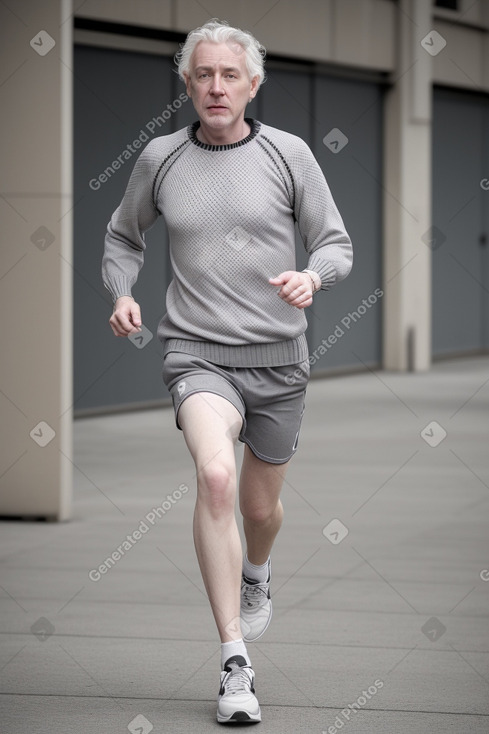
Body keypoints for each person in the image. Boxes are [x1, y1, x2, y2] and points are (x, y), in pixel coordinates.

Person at [102, 18, 352, 725]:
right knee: (214, 477)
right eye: (203, 75)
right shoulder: (160, 158)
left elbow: (335, 242)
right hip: (196, 352)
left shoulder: (288, 154)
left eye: (229, 75)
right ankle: (234, 663)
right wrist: (122, 291)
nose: (216, 87)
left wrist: (312, 277)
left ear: (252, 83)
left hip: (279, 360)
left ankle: (257, 572)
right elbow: (124, 234)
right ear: (186, 83)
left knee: (259, 509)